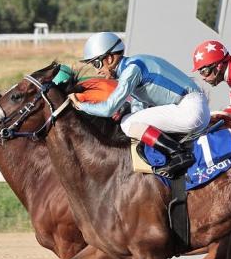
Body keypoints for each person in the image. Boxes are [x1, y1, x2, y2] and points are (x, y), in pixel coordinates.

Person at [71, 32, 210, 177]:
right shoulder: (135, 64)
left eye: (97, 63)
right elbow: (139, 107)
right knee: (131, 120)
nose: (97, 70)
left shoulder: (132, 69)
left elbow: (108, 109)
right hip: (194, 108)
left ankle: (177, 153)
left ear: (110, 58)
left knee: (126, 123)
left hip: (190, 110)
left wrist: (80, 105)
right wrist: (126, 109)